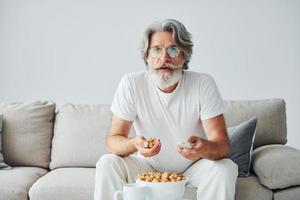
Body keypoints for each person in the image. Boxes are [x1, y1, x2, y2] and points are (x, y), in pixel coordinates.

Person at [94, 19, 238, 200]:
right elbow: (113, 141)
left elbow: (222, 145)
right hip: (147, 165)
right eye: (156, 50)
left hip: (193, 167)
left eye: (173, 49)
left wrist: (204, 148)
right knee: (107, 162)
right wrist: (135, 144)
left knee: (226, 168)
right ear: (146, 55)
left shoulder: (203, 83)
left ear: (184, 55)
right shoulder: (131, 83)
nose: (164, 59)